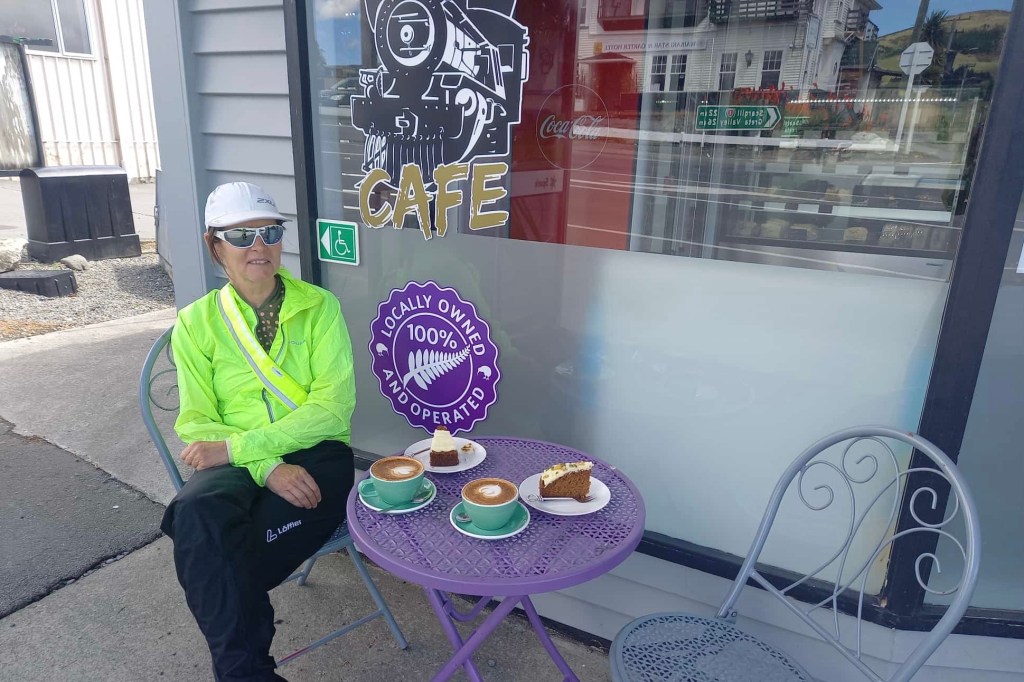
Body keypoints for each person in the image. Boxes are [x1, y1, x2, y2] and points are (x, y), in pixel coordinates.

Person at [160, 182, 355, 681]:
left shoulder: (320, 307)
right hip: (238, 460)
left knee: (212, 554)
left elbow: (331, 410)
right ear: (215, 246)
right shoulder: (196, 322)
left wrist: (243, 448)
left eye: (270, 232)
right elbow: (197, 421)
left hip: (313, 453)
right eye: (241, 236)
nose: (259, 246)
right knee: (195, 511)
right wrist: (267, 467)